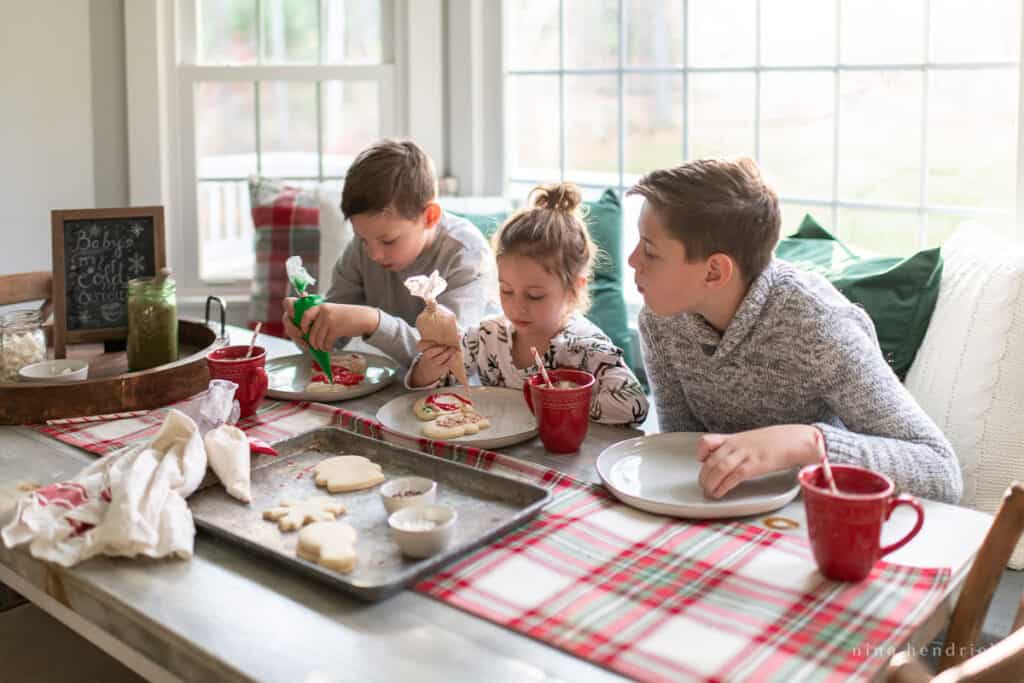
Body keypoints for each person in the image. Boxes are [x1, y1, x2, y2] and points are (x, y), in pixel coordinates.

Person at [628, 157, 962, 503]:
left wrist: (806, 443)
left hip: (821, 515)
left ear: (714, 272)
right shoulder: (660, 319)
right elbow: (682, 451)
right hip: (727, 512)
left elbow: (941, 473)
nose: (632, 260)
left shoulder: (820, 327)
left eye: (650, 251)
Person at [409, 182, 648, 427]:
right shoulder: (485, 338)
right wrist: (430, 366)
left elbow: (635, 406)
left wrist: (562, 400)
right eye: (507, 290)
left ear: (574, 288)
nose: (518, 307)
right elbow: (429, 390)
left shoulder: (584, 348)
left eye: (535, 295)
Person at [282, 139, 493, 365]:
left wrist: (374, 321)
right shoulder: (361, 251)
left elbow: (449, 355)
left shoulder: (467, 254)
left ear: (429, 217)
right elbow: (334, 338)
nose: (374, 254)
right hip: (399, 384)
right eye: (362, 239)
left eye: (388, 241)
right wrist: (309, 328)